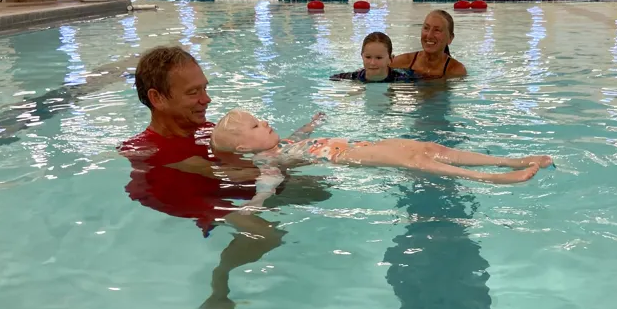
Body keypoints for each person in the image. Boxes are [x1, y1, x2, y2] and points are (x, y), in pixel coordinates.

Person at [119, 46, 330, 309]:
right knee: (265, 235)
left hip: (216, 185)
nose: (207, 99)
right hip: (177, 193)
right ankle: (217, 297)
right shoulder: (147, 147)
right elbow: (230, 173)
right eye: (194, 92)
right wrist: (287, 158)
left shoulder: (207, 131)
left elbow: (247, 162)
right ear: (157, 98)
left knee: (316, 189)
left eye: (205, 89)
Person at [210, 110, 553, 206]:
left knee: (431, 149)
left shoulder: (280, 143)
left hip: (363, 143)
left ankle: (509, 161)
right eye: (256, 125)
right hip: (353, 156)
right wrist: (254, 205)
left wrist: (312, 124)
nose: (266, 122)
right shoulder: (269, 162)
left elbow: (298, 138)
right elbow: (268, 185)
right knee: (416, 161)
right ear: (242, 149)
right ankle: (494, 178)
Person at [390, 10, 467, 79]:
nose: (429, 35)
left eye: (437, 30)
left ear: (450, 38)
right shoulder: (400, 62)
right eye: (426, 28)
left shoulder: (456, 71)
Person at [330, 32, 418, 83]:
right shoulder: (354, 77)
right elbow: (333, 78)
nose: (372, 63)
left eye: (379, 58)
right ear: (362, 56)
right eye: (368, 57)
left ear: (390, 59)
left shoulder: (402, 79)